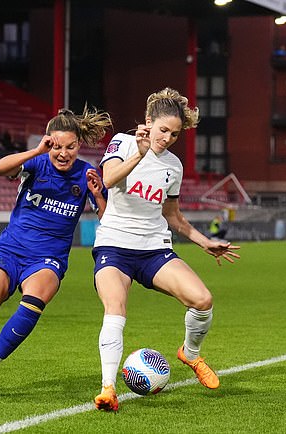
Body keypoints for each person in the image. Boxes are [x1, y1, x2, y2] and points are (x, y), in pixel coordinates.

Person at [0, 106, 113, 395]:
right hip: (11, 248)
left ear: (79, 145)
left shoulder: (88, 175)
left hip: (48, 258)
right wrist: (36, 151)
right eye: (56, 147)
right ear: (47, 143)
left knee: (33, 301)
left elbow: (107, 220)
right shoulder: (37, 163)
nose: (63, 154)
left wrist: (97, 195)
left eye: (70, 147)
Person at [91, 88, 240, 412]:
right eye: (163, 130)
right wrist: (140, 154)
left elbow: (172, 216)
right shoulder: (123, 143)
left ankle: (190, 353)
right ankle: (108, 388)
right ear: (148, 122)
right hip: (114, 245)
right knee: (115, 309)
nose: (169, 138)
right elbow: (108, 179)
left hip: (153, 249)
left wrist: (205, 242)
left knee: (202, 300)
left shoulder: (173, 166)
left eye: (175, 133)